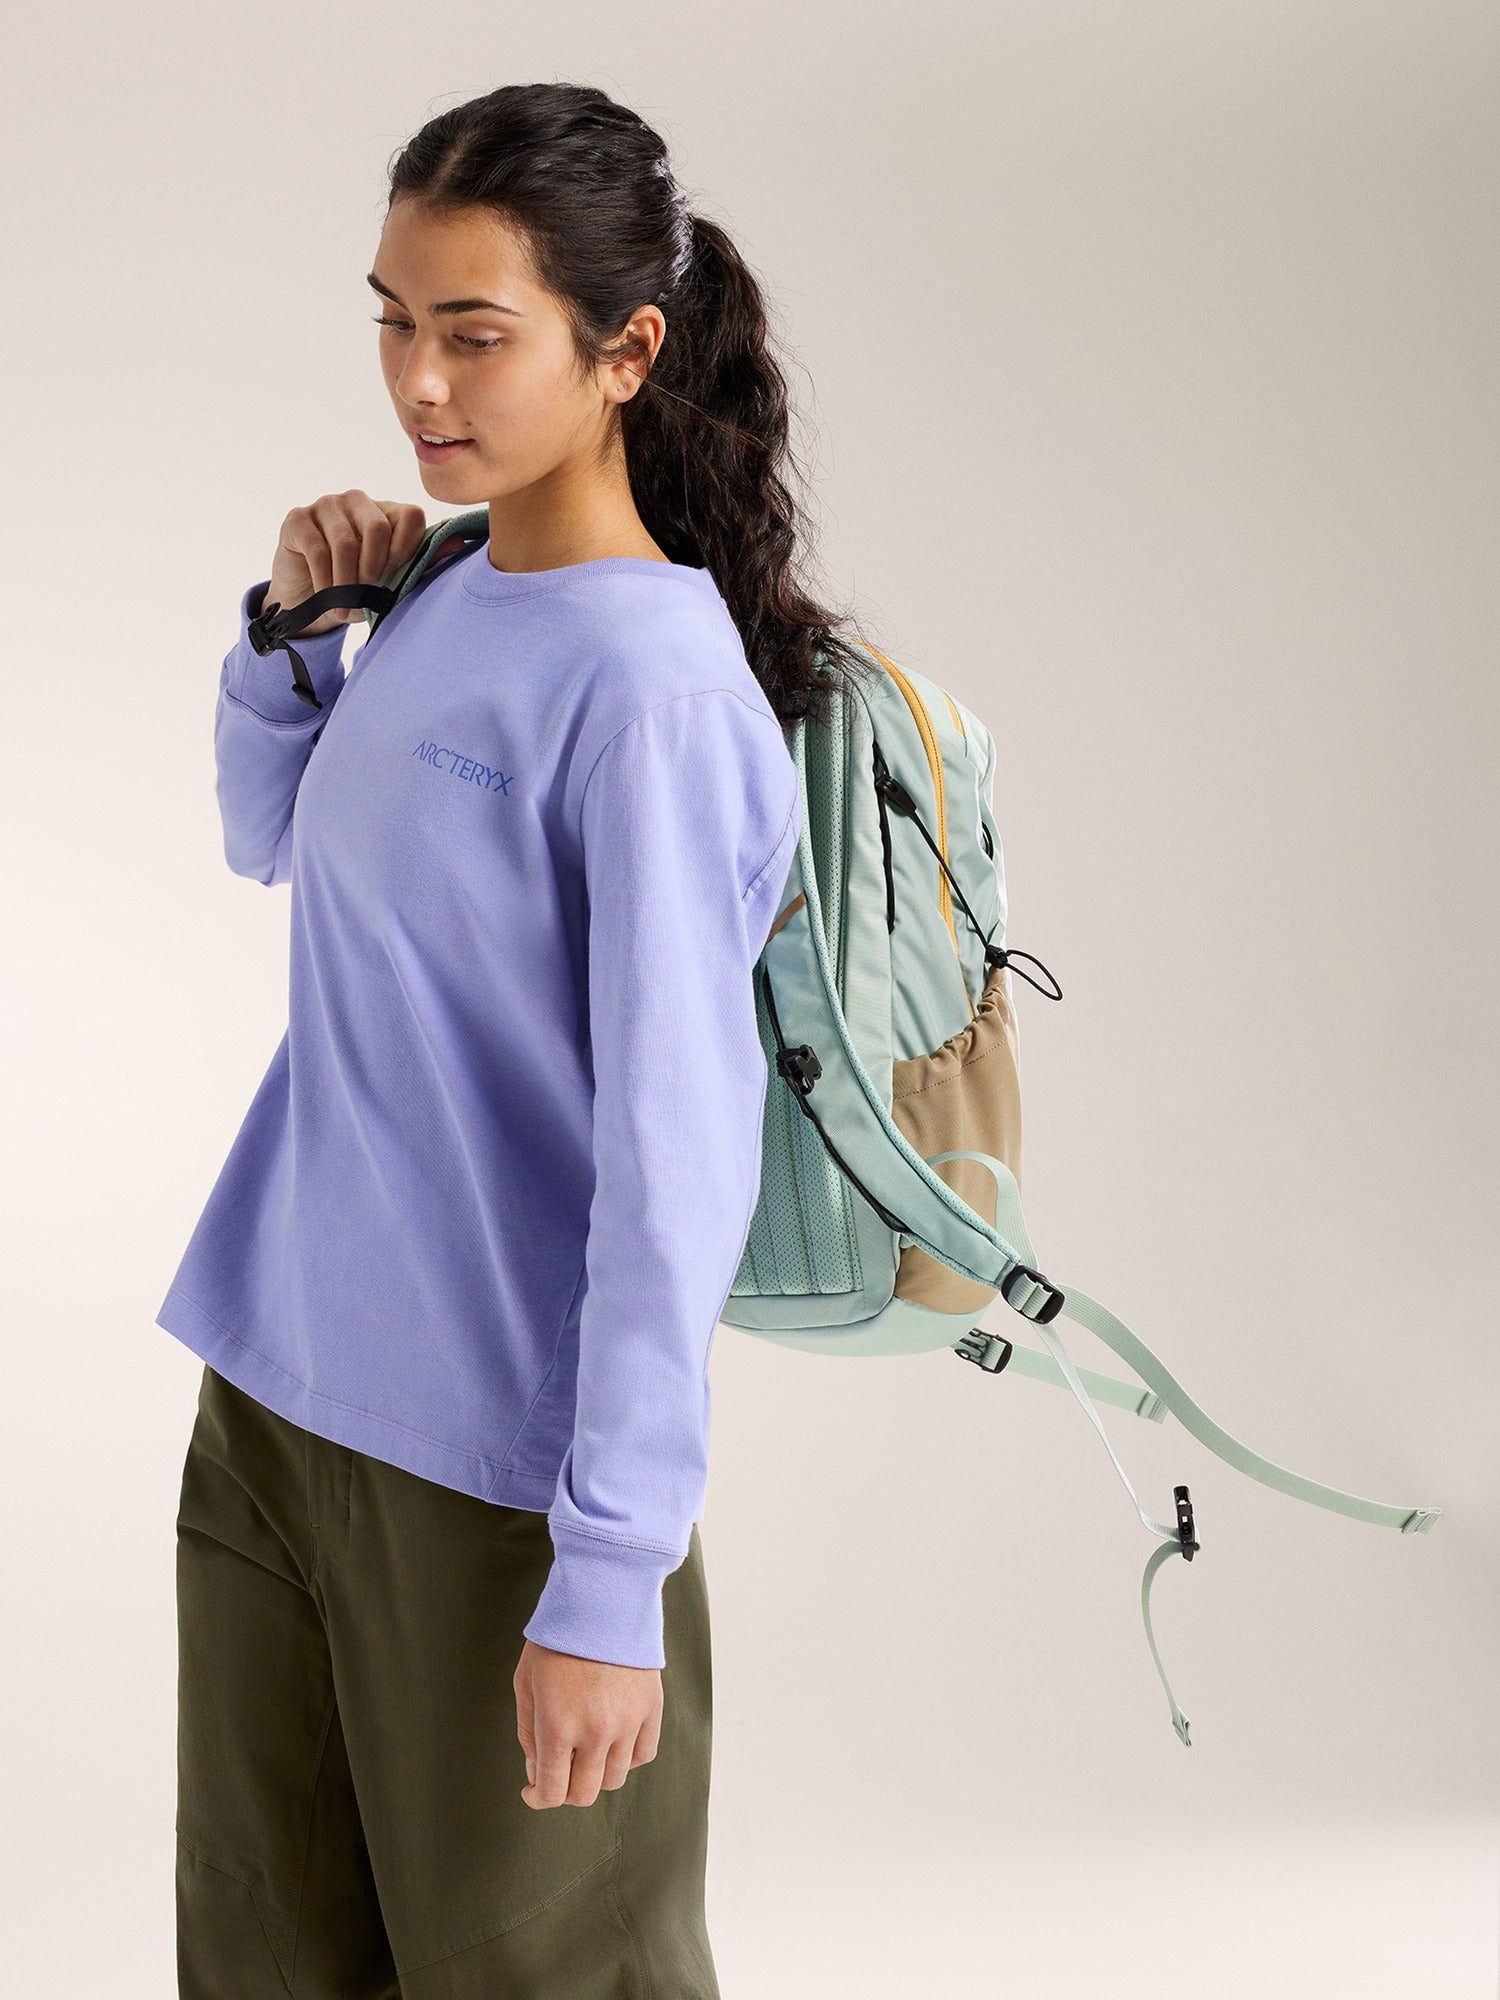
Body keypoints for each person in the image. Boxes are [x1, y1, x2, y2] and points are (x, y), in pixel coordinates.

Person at [160, 78, 879, 1999]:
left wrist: (613, 1574)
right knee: (259, 1957)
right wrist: (297, 634)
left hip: (496, 1476)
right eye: (394, 319)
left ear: (625, 350)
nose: (419, 380)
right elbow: (274, 842)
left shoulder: (658, 697)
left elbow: (677, 1164)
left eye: (475, 333)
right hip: (275, 1403)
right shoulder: (447, 586)